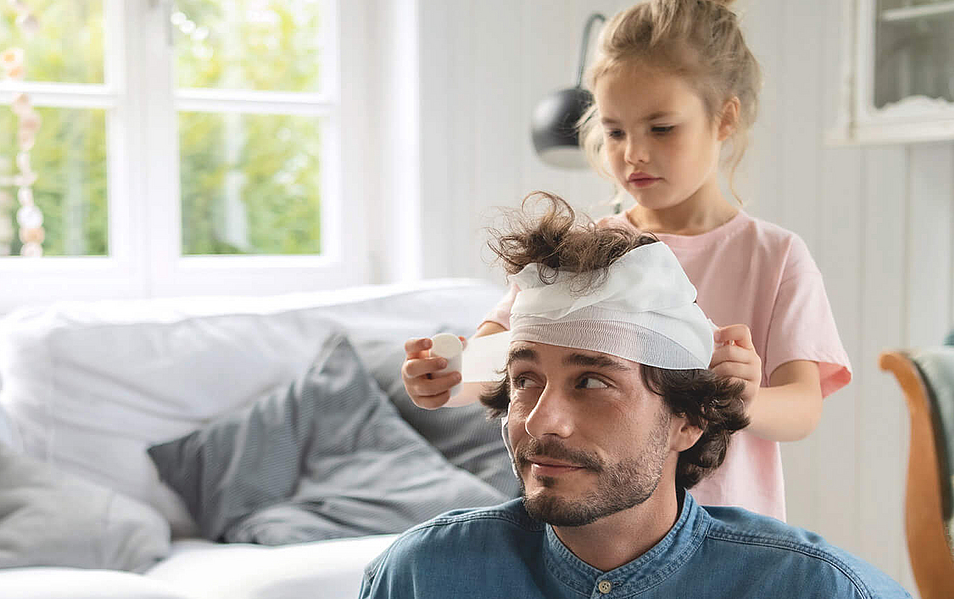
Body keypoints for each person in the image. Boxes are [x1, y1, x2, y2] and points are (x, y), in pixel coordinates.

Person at [403, 0, 850, 520]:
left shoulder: (774, 257)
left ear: (724, 119)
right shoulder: (581, 252)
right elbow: (499, 357)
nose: (633, 152)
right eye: (615, 131)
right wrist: (447, 378)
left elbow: (803, 409)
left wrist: (745, 397)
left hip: (726, 533)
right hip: (602, 530)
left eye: (661, 128)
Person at [363, 197, 906, 598]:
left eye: (591, 382)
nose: (542, 422)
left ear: (687, 420)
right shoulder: (420, 577)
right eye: (526, 380)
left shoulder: (814, 588)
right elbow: (476, 366)